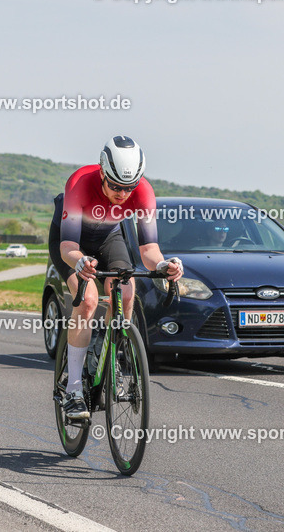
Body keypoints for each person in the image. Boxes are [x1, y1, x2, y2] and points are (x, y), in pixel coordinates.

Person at [48, 135, 183, 420]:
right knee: (87, 299)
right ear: (102, 173)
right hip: (73, 243)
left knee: (126, 291)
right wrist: (80, 261)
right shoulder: (79, 183)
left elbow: (148, 249)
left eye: (129, 187)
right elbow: (67, 247)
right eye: (115, 186)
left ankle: (111, 353)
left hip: (109, 236)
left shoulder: (144, 191)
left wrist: (163, 265)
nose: (123, 194)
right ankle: (73, 388)